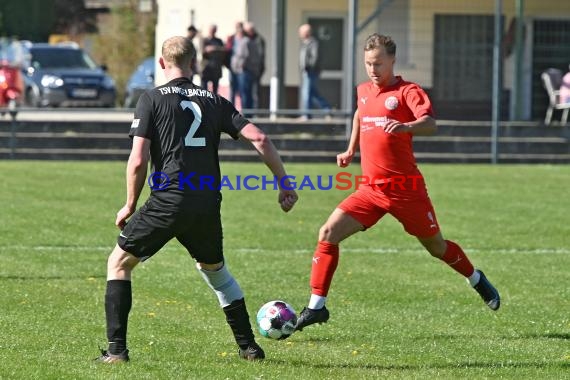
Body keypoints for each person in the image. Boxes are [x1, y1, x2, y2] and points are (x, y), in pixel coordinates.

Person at [96, 36, 298, 363]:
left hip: (169, 199)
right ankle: (249, 347)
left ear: (162, 63)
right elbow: (259, 137)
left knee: (118, 264)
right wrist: (284, 183)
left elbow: (138, 159)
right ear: (195, 64)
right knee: (216, 272)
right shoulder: (214, 100)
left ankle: (117, 352)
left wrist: (130, 204)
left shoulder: (152, 99)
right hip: (205, 202)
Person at [295, 34, 500, 332]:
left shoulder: (408, 91)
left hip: (406, 192)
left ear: (392, 60)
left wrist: (406, 126)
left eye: (378, 63)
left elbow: (430, 123)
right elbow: (359, 115)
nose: (372, 69)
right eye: (367, 63)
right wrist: (351, 149)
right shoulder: (364, 90)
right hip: (370, 189)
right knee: (327, 233)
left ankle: (476, 279)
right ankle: (316, 307)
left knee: (436, 247)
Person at [231, 22, 264, 116]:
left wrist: (238, 66)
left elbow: (243, 56)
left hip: (245, 71)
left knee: (245, 94)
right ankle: (249, 113)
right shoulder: (252, 41)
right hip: (249, 70)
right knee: (248, 93)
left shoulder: (246, 41)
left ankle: (246, 114)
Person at [298, 23, 330, 120]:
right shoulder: (305, 43)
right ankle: (327, 110)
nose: (299, 34)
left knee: (307, 93)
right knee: (313, 93)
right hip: (305, 72)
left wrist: (309, 67)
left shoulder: (313, 43)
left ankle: (306, 115)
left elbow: (315, 58)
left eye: (301, 32)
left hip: (310, 72)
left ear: (306, 33)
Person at [243, 22, 265, 110]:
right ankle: (246, 112)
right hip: (246, 70)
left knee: (255, 93)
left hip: (256, 70)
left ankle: (255, 112)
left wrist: (260, 69)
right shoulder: (244, 39)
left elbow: (261, 56)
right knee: (246, 92)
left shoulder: (259, 40)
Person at [200, 24, 225, 94]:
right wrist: (206, 50)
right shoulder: (204, 40)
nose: (212, 32)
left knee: (215, 90)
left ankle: (214, 104)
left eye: (214, 30)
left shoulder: (219, 41)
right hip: (206, 68)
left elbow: (223, 50)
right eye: (211, 30)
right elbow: (201, 51)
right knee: (203, 90)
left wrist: (214, 48)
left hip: (216, 68)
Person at [225, 21, 244, 105]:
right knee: (232, 89)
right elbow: (227, 52)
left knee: (242, 89)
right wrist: (228, 65)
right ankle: (231, 108)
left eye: (240, 27)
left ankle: (245, 111)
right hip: (232, 68)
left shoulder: (245, 38)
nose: (239, 29)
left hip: (242, 69)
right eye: (237, 27)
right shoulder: (231, 38)